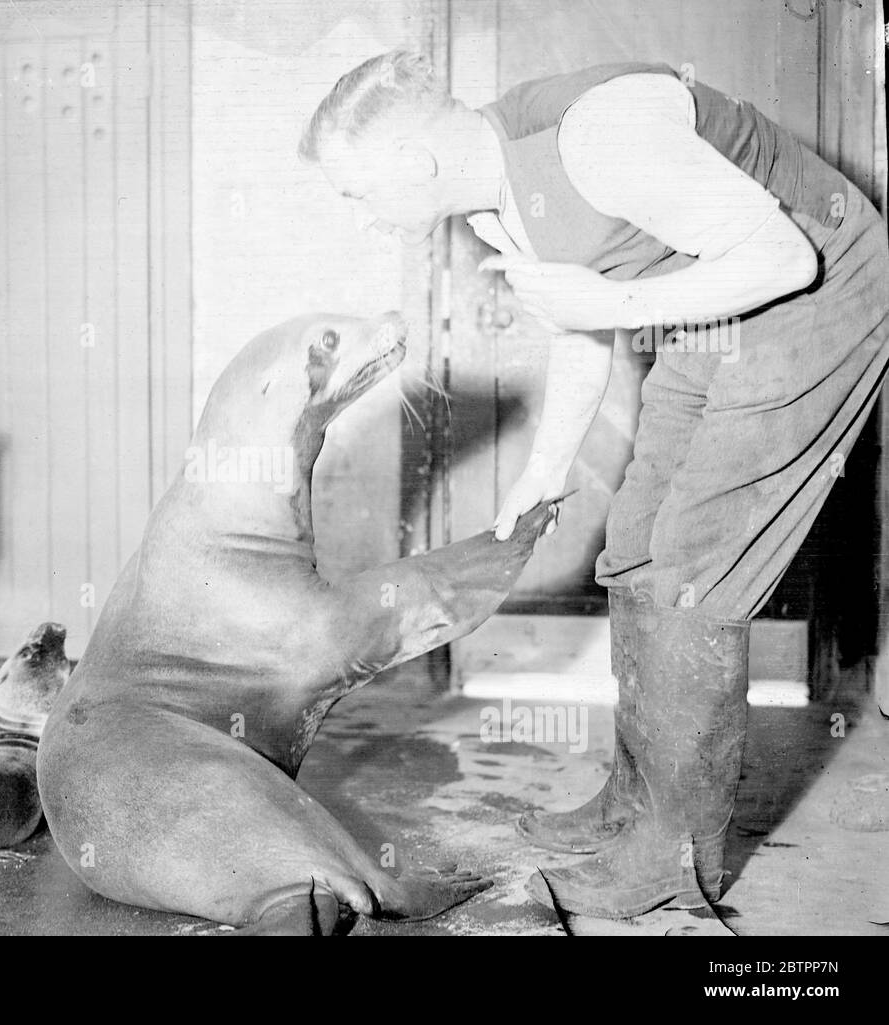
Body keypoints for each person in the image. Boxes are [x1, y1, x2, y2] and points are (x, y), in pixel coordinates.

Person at [299, 50, 889, 919]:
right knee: (638, 534)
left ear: (412, 164)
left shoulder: (601, 141)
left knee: (694, 554)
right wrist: (539, 477)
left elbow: (785, 258)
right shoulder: (496, 193)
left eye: (357, 193)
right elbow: (580, 321)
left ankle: (674, 855)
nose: (362, 217)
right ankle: (635, 806)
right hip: (713, 301)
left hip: (818, 286)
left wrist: (615, 308)